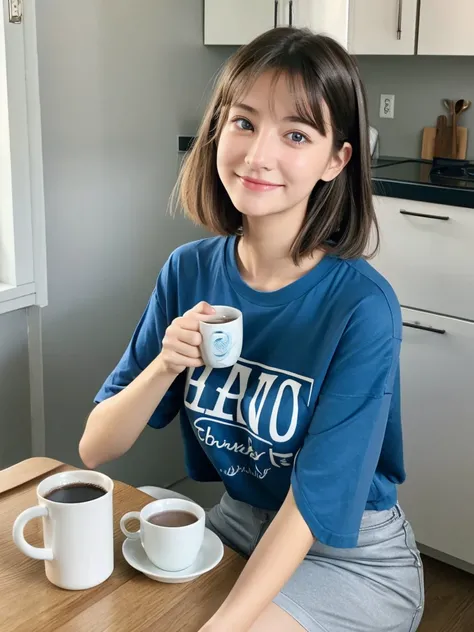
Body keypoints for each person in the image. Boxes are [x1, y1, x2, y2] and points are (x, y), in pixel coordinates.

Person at [79, 27, 424, 632]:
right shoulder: (187, 271)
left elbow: (315, 503)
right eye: (243, 122)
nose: (258, 154)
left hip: (349, 555)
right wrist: (165, 364)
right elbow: (95, 448)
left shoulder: (363, 307)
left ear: (335, 159)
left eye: (296, 134)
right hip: (238, 523)